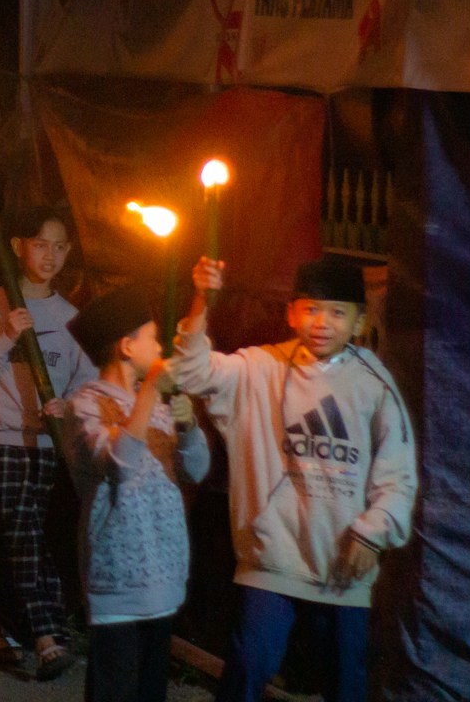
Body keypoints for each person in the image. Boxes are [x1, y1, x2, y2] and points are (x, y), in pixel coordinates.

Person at [172, 254, 417, 702]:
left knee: (344, 685)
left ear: (359, 321)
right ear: (291, 313)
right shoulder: (258, 368)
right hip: (273, 558)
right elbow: (192, 372)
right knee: (247, 671)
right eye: (310, 308)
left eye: (338, 312)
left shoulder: (373, 384)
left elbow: (398, 474)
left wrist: (371, 533)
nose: (322, 322)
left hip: (342, 566)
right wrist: (201, 301)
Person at [0, 203, 96, 679]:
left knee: (23, 539)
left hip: (46, 444)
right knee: (21, 533)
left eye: (59, 247)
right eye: (40, 244)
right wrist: (2, 339)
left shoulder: (72, 318)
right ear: (17, 247)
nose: (50, 255)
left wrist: (70, 407)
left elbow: (88, 383)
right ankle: (48, 635)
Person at [63, 288, 211, 702]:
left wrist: (189, 428)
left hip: (162, 577)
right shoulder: (86, 404)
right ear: (127, 346)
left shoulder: (159, 407)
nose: (161, 348)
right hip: (117, 582)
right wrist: (150, 390)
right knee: (115, 688)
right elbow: (119, 464)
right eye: (152, 337)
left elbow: (196, 469)